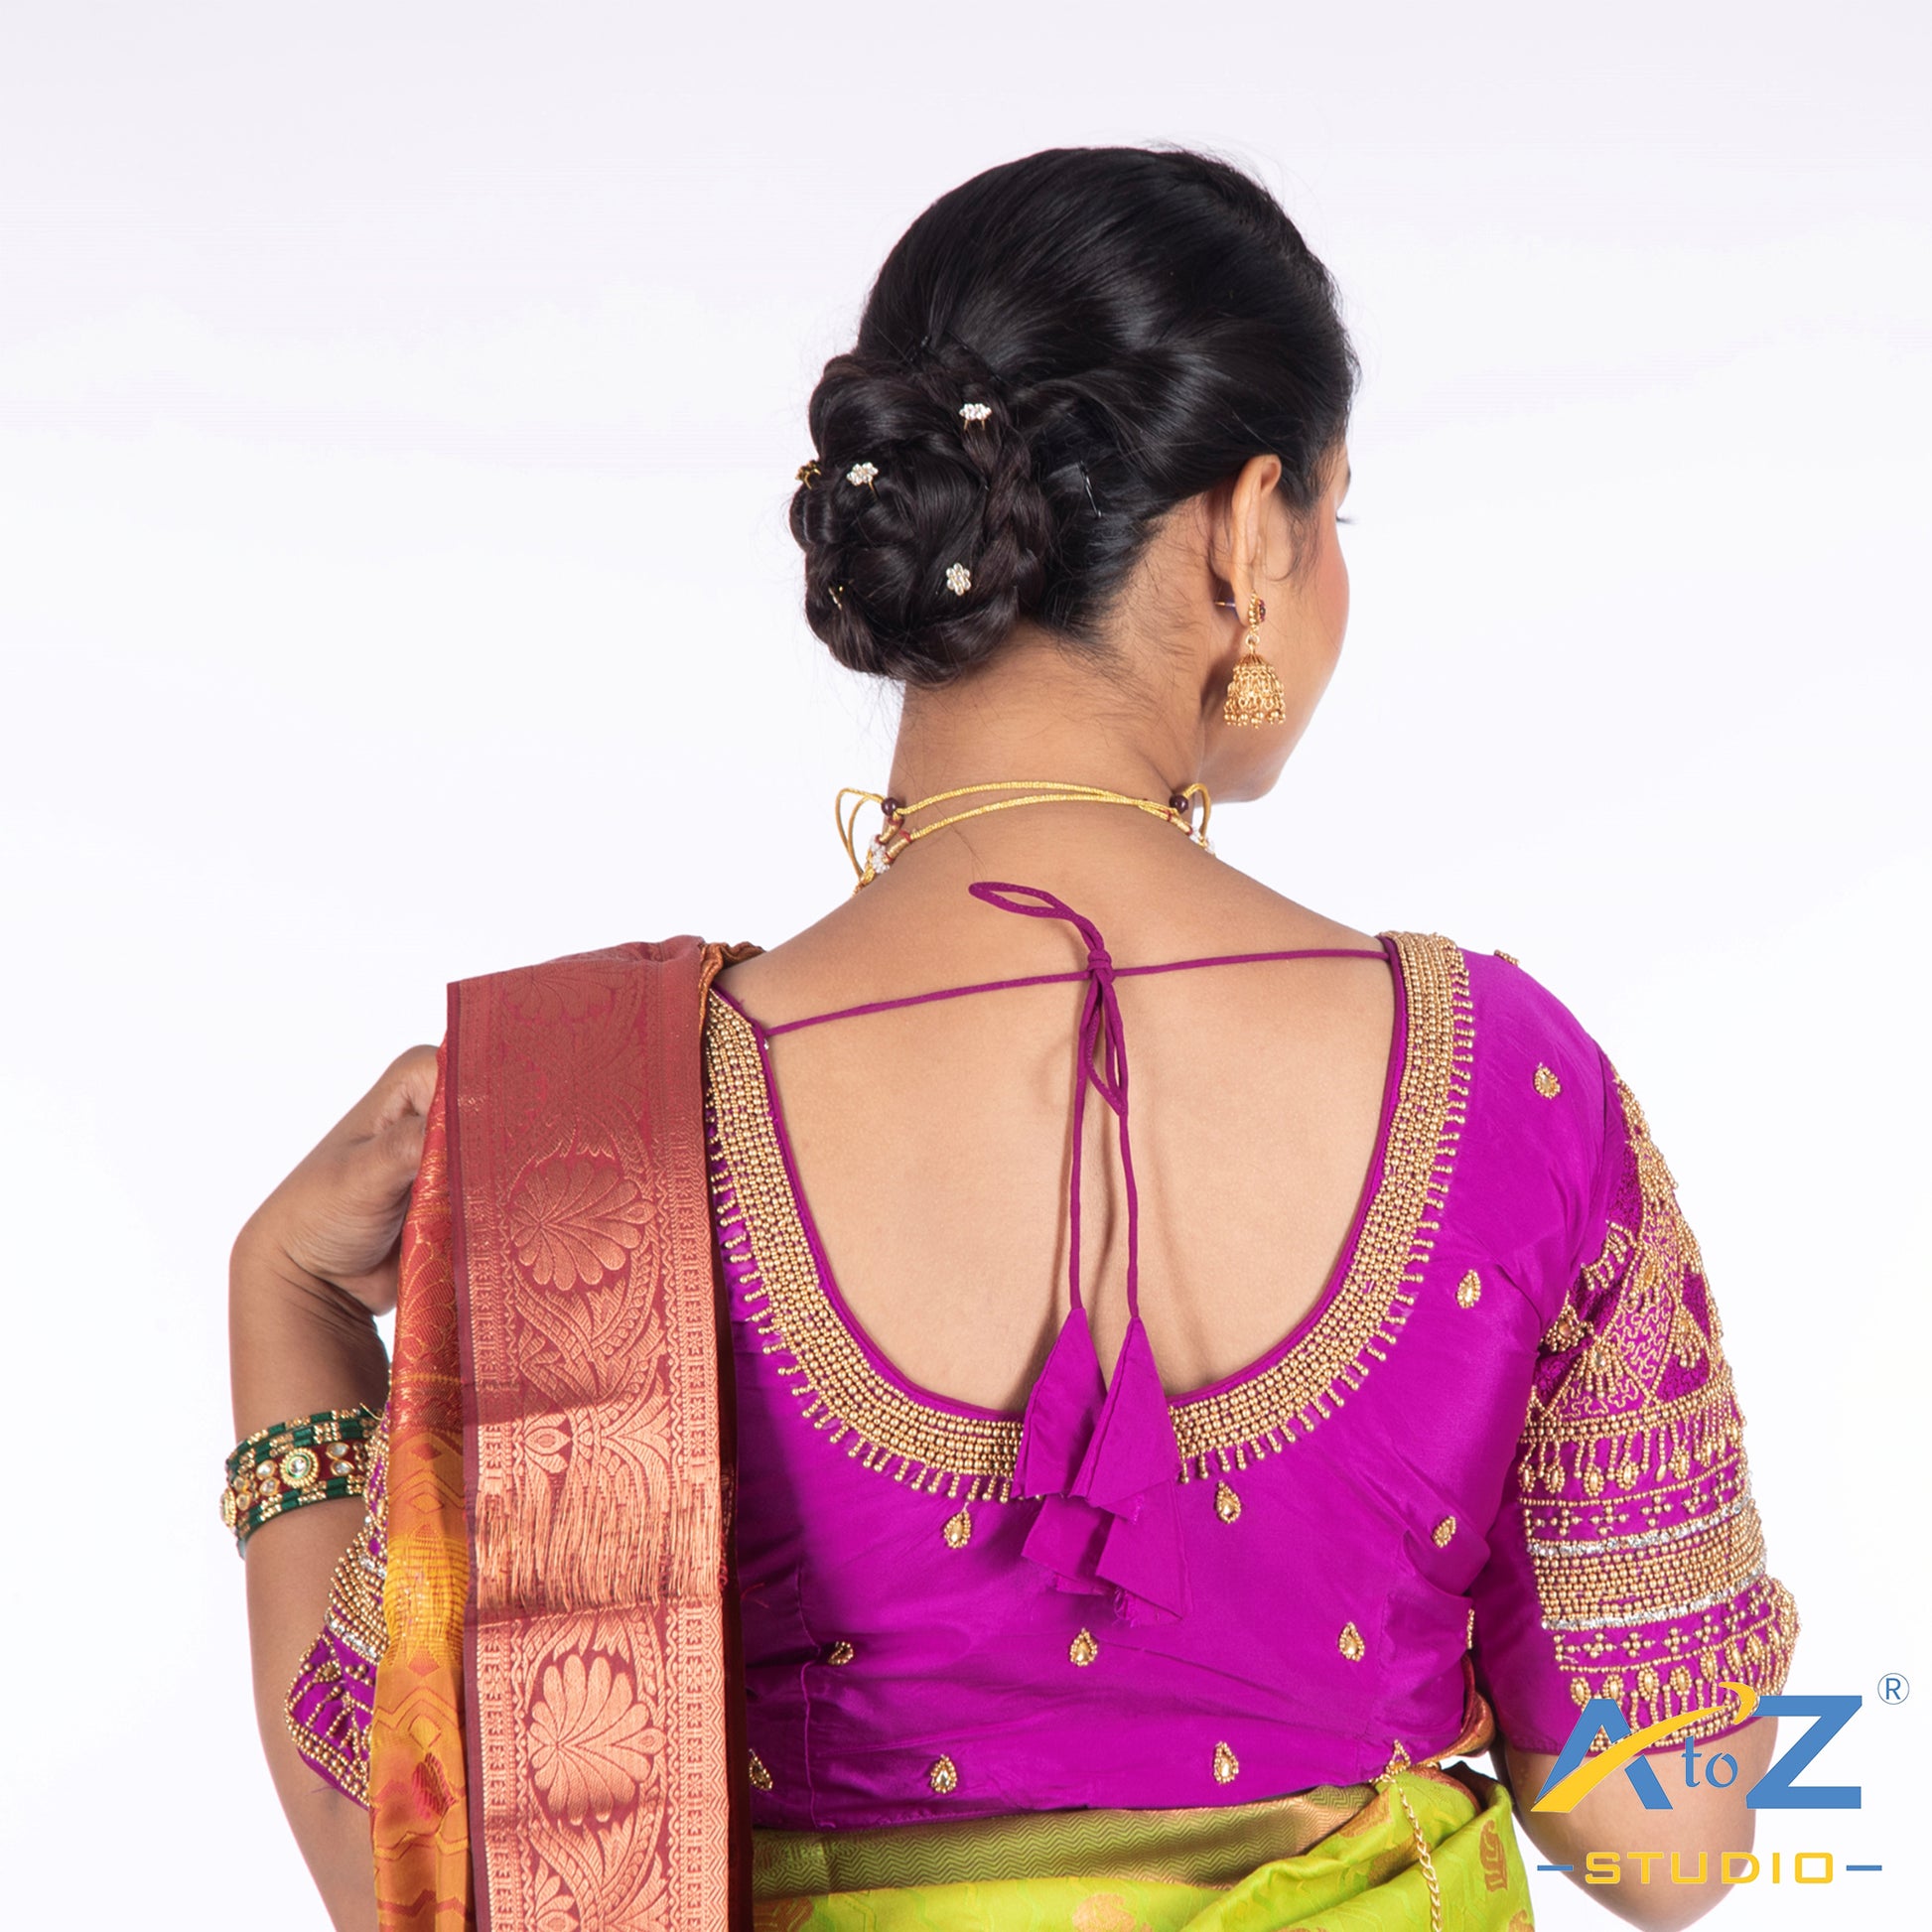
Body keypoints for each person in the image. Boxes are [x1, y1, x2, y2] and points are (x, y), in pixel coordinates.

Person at [227, 146, 1797, 1932]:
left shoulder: (603, 1131)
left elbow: (404, 1859)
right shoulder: (1507, 1083)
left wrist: (283, 1293)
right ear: (1248, 529)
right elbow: (1671, 1842)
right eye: (1337, 520)